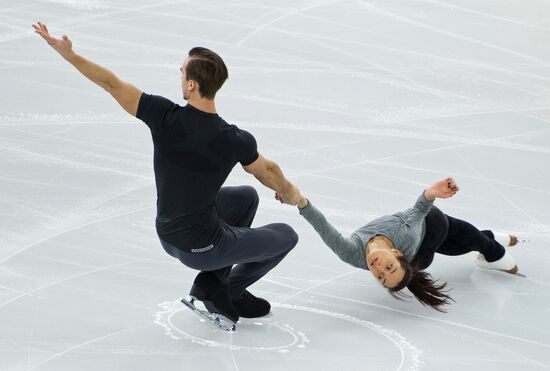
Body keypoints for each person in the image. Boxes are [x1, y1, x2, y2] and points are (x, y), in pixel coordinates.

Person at [33, 22, 302, 324]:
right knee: (286, 235)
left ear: (191, 85)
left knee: (246, 198)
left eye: (182, 71)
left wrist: (69, 55)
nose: (180, 76)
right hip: (201, 248)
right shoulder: (234, 139)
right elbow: (268, 170)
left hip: (167, 234)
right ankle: (229, 291)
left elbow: (111, 84)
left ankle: (213, 284)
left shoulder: (164, 116)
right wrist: (291, 193)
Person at [277, 177, 520, 312]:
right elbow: (420, 210)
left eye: (381, 275)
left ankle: (491, 246)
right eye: (388, 270)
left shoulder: (351, 252)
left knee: (462, 237)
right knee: (456, 234)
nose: (378, 269)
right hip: (424, 244)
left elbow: (323, 227)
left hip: (426, 225)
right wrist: (430, 194)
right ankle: (492, 246)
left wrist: (299, 200)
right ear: (396, 253)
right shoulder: (407, 236)